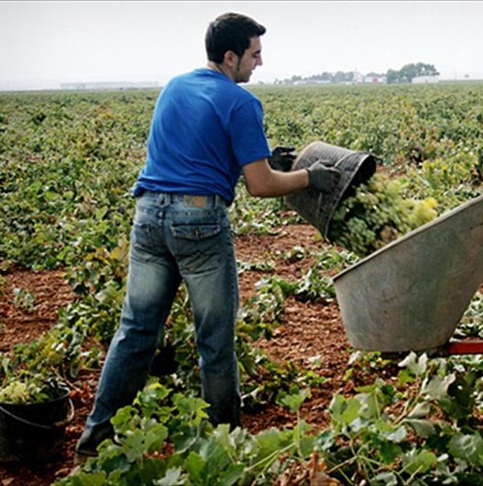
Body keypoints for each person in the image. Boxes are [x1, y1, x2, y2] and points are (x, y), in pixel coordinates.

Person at [75, 12, 339, 459]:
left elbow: (194, 151)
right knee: (214, 338)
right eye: (254, 54)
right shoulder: (240, 103)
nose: (260, 62)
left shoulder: (175, 86)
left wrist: (261, 157)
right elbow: (261, 186)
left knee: (135, 331)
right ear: (231, 56)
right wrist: (309, 177)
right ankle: (226, 444)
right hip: (197, 223)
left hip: (148, 217)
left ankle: (94, 438)